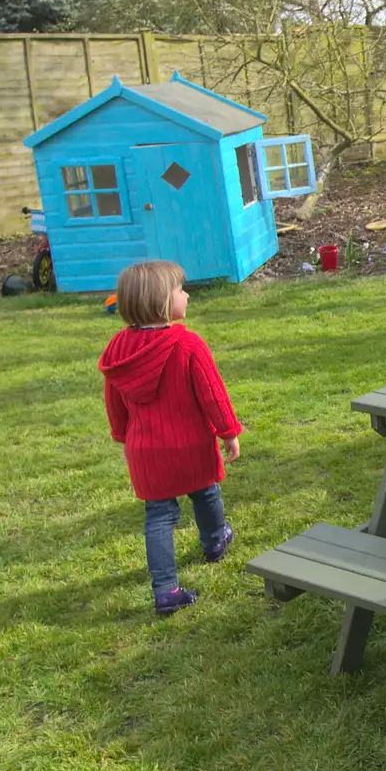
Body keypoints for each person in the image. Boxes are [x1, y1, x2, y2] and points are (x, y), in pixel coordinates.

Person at [99, 260, 241, 616]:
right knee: (206, 492)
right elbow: (213, 394)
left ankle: (165, 590)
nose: (187, 294)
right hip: (192, 444)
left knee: (158, 517)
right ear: (162, 301)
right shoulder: (188, 344)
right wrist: (229, 433)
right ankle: (214, 542)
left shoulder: (119, 349)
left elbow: (114, 401)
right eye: (180, 290)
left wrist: (122, 438)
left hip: (146, 451)